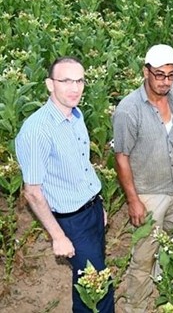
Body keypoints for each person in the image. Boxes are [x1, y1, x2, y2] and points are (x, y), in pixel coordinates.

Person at [15, 57, 115, 313]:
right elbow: (33, 192)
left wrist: (98, 205)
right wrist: (58, 236)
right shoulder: (36, 130)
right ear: (50, 84)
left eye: (80, 80)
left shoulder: (76, 115)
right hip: (71, 222)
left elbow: (82, 165)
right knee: (97, 287)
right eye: (66, 81)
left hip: (91, 210)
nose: (75, 88)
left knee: (88, 281)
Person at [113, 44, 173, 312]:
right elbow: (121, 157)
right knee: (143, 254)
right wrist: (133, 200)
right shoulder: (129, 110)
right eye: (159, 75)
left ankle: (164, 283)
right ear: (146, 72)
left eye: (171, 75)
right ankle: (136, 306)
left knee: (172, 239)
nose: (165, 82)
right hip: (149, 193)